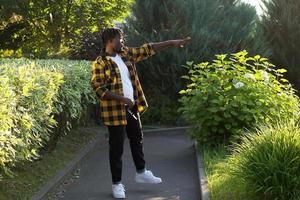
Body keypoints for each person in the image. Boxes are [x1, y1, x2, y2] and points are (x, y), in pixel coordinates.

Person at [91, 27, 191, 199]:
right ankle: (116, 184)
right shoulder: (100, 62)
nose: (122, 42)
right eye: (119, 39)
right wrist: (121, 99)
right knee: (117, 148)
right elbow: (98, 88)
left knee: (137, 138)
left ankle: (141, 172)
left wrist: (172, 43)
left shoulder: (126, 54)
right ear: (109, 41)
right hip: (115, 111)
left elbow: (148, 48)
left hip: (131, 108)